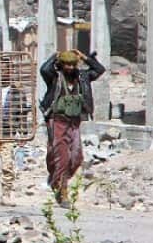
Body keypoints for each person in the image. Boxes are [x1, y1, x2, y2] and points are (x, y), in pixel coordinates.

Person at [39, 49, 106, 206]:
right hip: (57, 121)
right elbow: (44, 69)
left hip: (74, 122)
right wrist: (55, 55)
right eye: (66, 64)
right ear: (61, 64)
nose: (69, 67)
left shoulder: (83, 77)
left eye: (72, 64)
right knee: (61, 157)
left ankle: (57, 179)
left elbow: (99, 70)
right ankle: (63, 193)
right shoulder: (55, 77)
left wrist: (84, 57)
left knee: (76, 157)